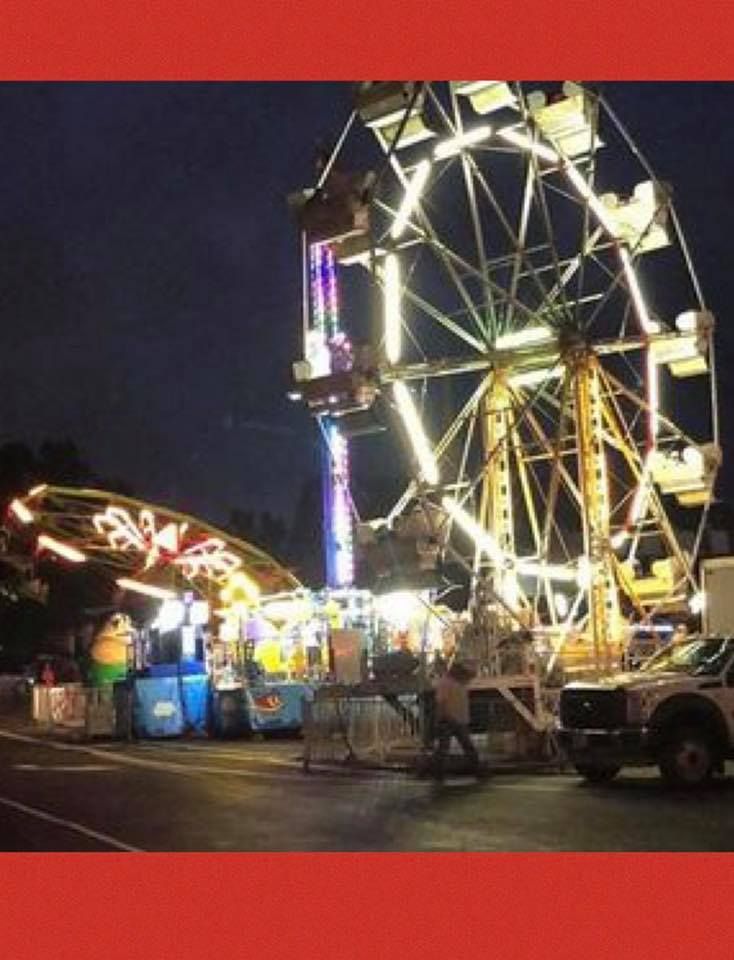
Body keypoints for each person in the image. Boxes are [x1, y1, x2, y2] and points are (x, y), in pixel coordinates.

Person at [432, 661, 480, 780]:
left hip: (454, 718)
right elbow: (441, 702)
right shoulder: (448, 683)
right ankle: (477, 771)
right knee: (461, 746)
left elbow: (441, 702)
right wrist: (442, 716)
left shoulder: (455, 682)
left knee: (446, 748)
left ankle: (438, 773)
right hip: (450, 719)